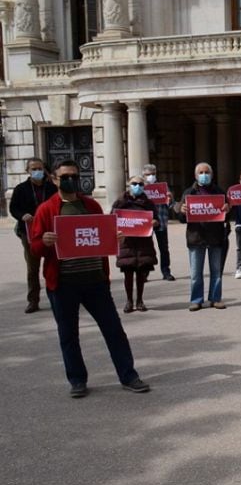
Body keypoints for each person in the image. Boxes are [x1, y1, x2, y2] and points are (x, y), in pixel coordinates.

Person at [29, 159, 150, 397]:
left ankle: (129, 375)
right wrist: (44, 242)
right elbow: (35, 248)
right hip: (63, 284)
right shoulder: (46, 209)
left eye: (74, 175)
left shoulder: (91, 206)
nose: (70, 180)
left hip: (95, 281)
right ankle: (77, 380)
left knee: (114, 330)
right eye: (64, 176)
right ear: (54, 179)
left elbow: (103, 235)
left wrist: (116, 238)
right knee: (68, 335)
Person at [177, 162, 231, 311]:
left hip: (216, 237)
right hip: (196, 237)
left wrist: (228, 209)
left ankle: (215, 298)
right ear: (195, 176)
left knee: (216, 272)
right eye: (201, 173)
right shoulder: (189, 193)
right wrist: (182, 211)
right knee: (195, 273)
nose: (204, 175)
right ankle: (196, 300)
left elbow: (227, 216)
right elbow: (181, 219)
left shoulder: (219, 191)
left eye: (207, 172)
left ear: (212, 175)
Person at [8, 157, 58, 313]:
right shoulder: (21, 189)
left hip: (50, 231)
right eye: (34, 169)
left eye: (40, 168)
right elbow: (13, 208)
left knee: (55, 263)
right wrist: (22, 215)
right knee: (32, 267)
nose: (37, 172)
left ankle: (58, 297)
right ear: (28, 171)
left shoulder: (51, 188)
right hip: (28, 232)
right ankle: (33, 300)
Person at [112, 175, 158, 312]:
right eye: (134, 183)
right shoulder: (120, 202)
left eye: (140, 184)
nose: (137, 186)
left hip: (143, 243)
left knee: (141, 273)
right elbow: (111, 220)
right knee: (128, 273)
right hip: (127, 243)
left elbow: (157, 220)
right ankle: (129, 301)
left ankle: (140, 300)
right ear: (128, 184)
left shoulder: (148, 203)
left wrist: (155, 223)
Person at [142, 163, 175, 281]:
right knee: (146, 248)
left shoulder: (162, 188)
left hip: (161, 221)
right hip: (146, 223)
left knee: (164, 248)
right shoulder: (141, 188)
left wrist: (170, 198)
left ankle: (166, 271)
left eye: (153, 174)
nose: (150, 176)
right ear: (143, 175)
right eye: (148, 174)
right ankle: (144, 272)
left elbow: (171, 206)